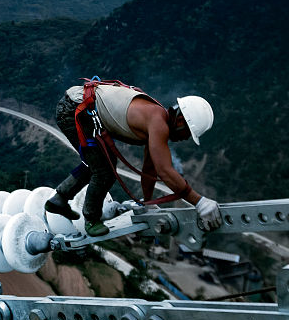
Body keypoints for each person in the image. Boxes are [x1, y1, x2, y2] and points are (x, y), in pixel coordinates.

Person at [46, 79, 222, 237]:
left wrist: (148, 202)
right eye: (188, 134)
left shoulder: (156, 119)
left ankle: (59, 199)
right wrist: (199, 202)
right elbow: (165, 171)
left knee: (98, 162)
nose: (185, 138)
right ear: (181, 121)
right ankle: (91, 219)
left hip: (78, 105)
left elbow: (150, 168)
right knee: (104, 171)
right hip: (75, 111)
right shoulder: (158, 124)